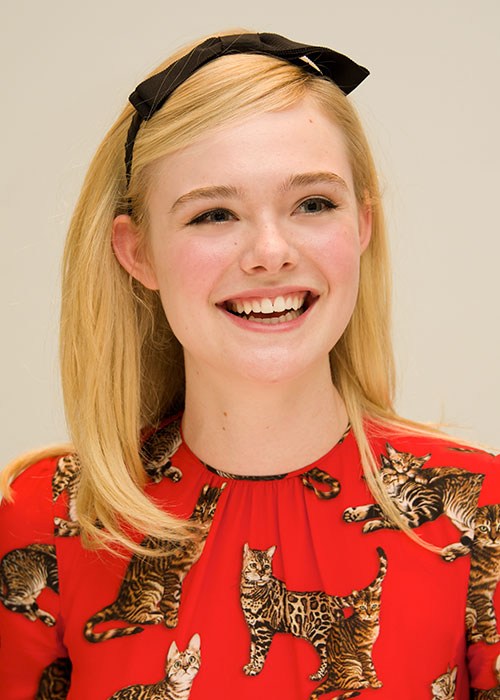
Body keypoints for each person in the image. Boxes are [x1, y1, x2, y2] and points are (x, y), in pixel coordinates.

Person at [0, 30, 499, 700]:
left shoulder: (481, 512)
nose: (270, 252)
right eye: (214, 214)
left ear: (362, 225)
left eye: (313, 204)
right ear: (138, 252)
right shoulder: (46, 518)